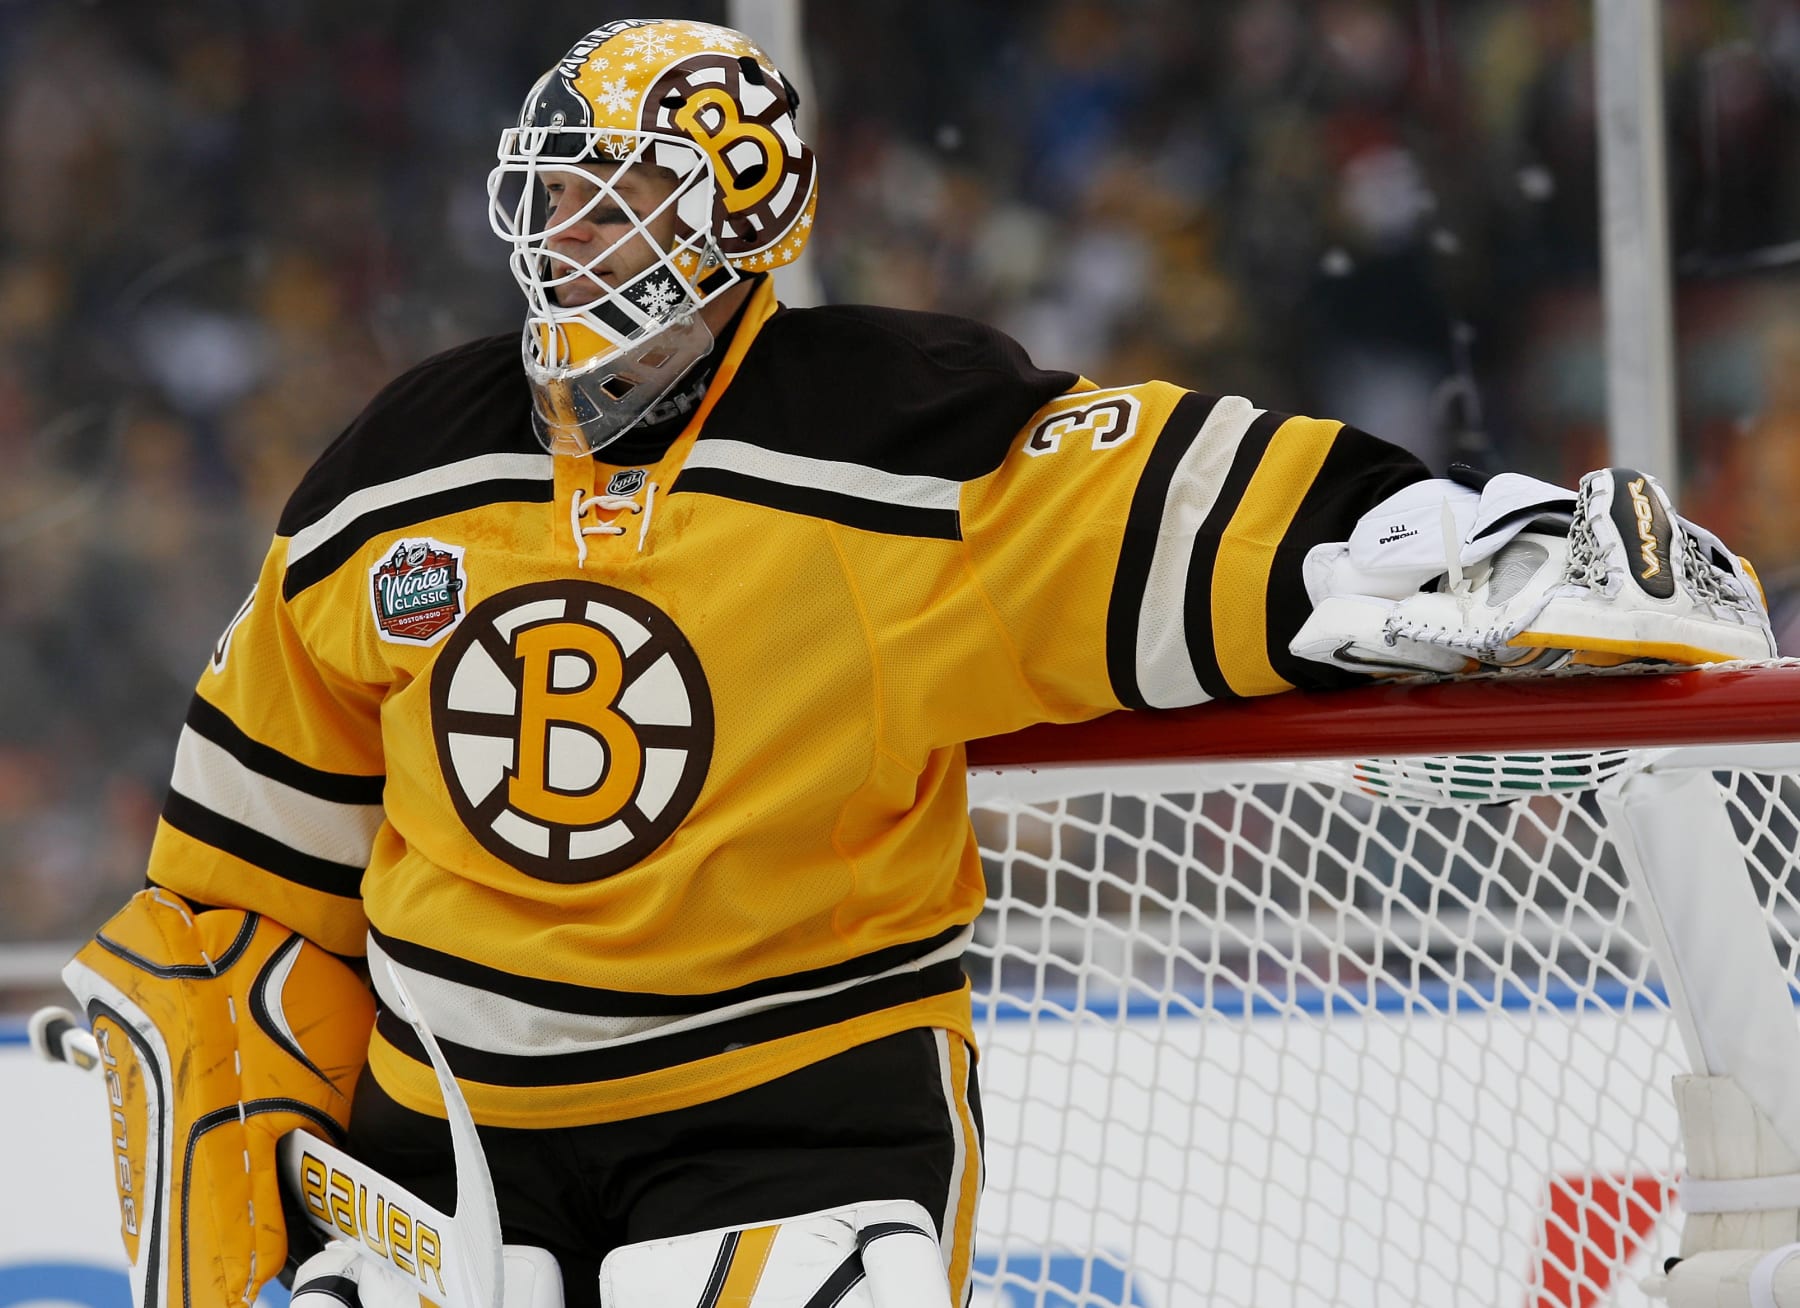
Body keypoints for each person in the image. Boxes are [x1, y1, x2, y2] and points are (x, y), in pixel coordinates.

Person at [56, 17, 1775, 1308]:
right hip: (448, 1148)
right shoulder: (398, 463)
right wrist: (234, 1047)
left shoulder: (891, 436)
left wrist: (1447, 544)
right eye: (563, 190)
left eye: (629, 195)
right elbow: (248, 865)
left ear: (734, 229)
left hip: (786, 1127)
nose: (580, 230)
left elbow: (1183, 504)